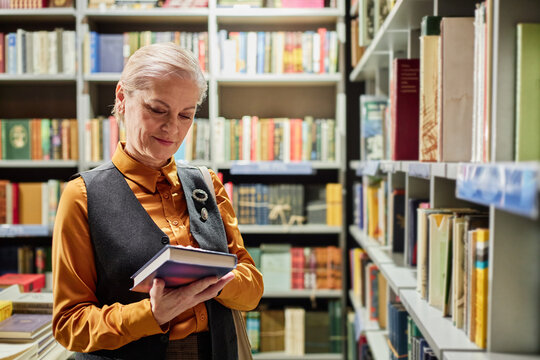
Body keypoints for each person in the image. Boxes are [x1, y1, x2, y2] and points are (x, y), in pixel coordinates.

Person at [52, 42, 264, 360]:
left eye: (186, 115)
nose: (172, 128)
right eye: (157, 110)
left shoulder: (207, 185)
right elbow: (70, 325)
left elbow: (251, 292)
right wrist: (151, 314)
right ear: (122, 98)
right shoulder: (83, 196)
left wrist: (216, 280)